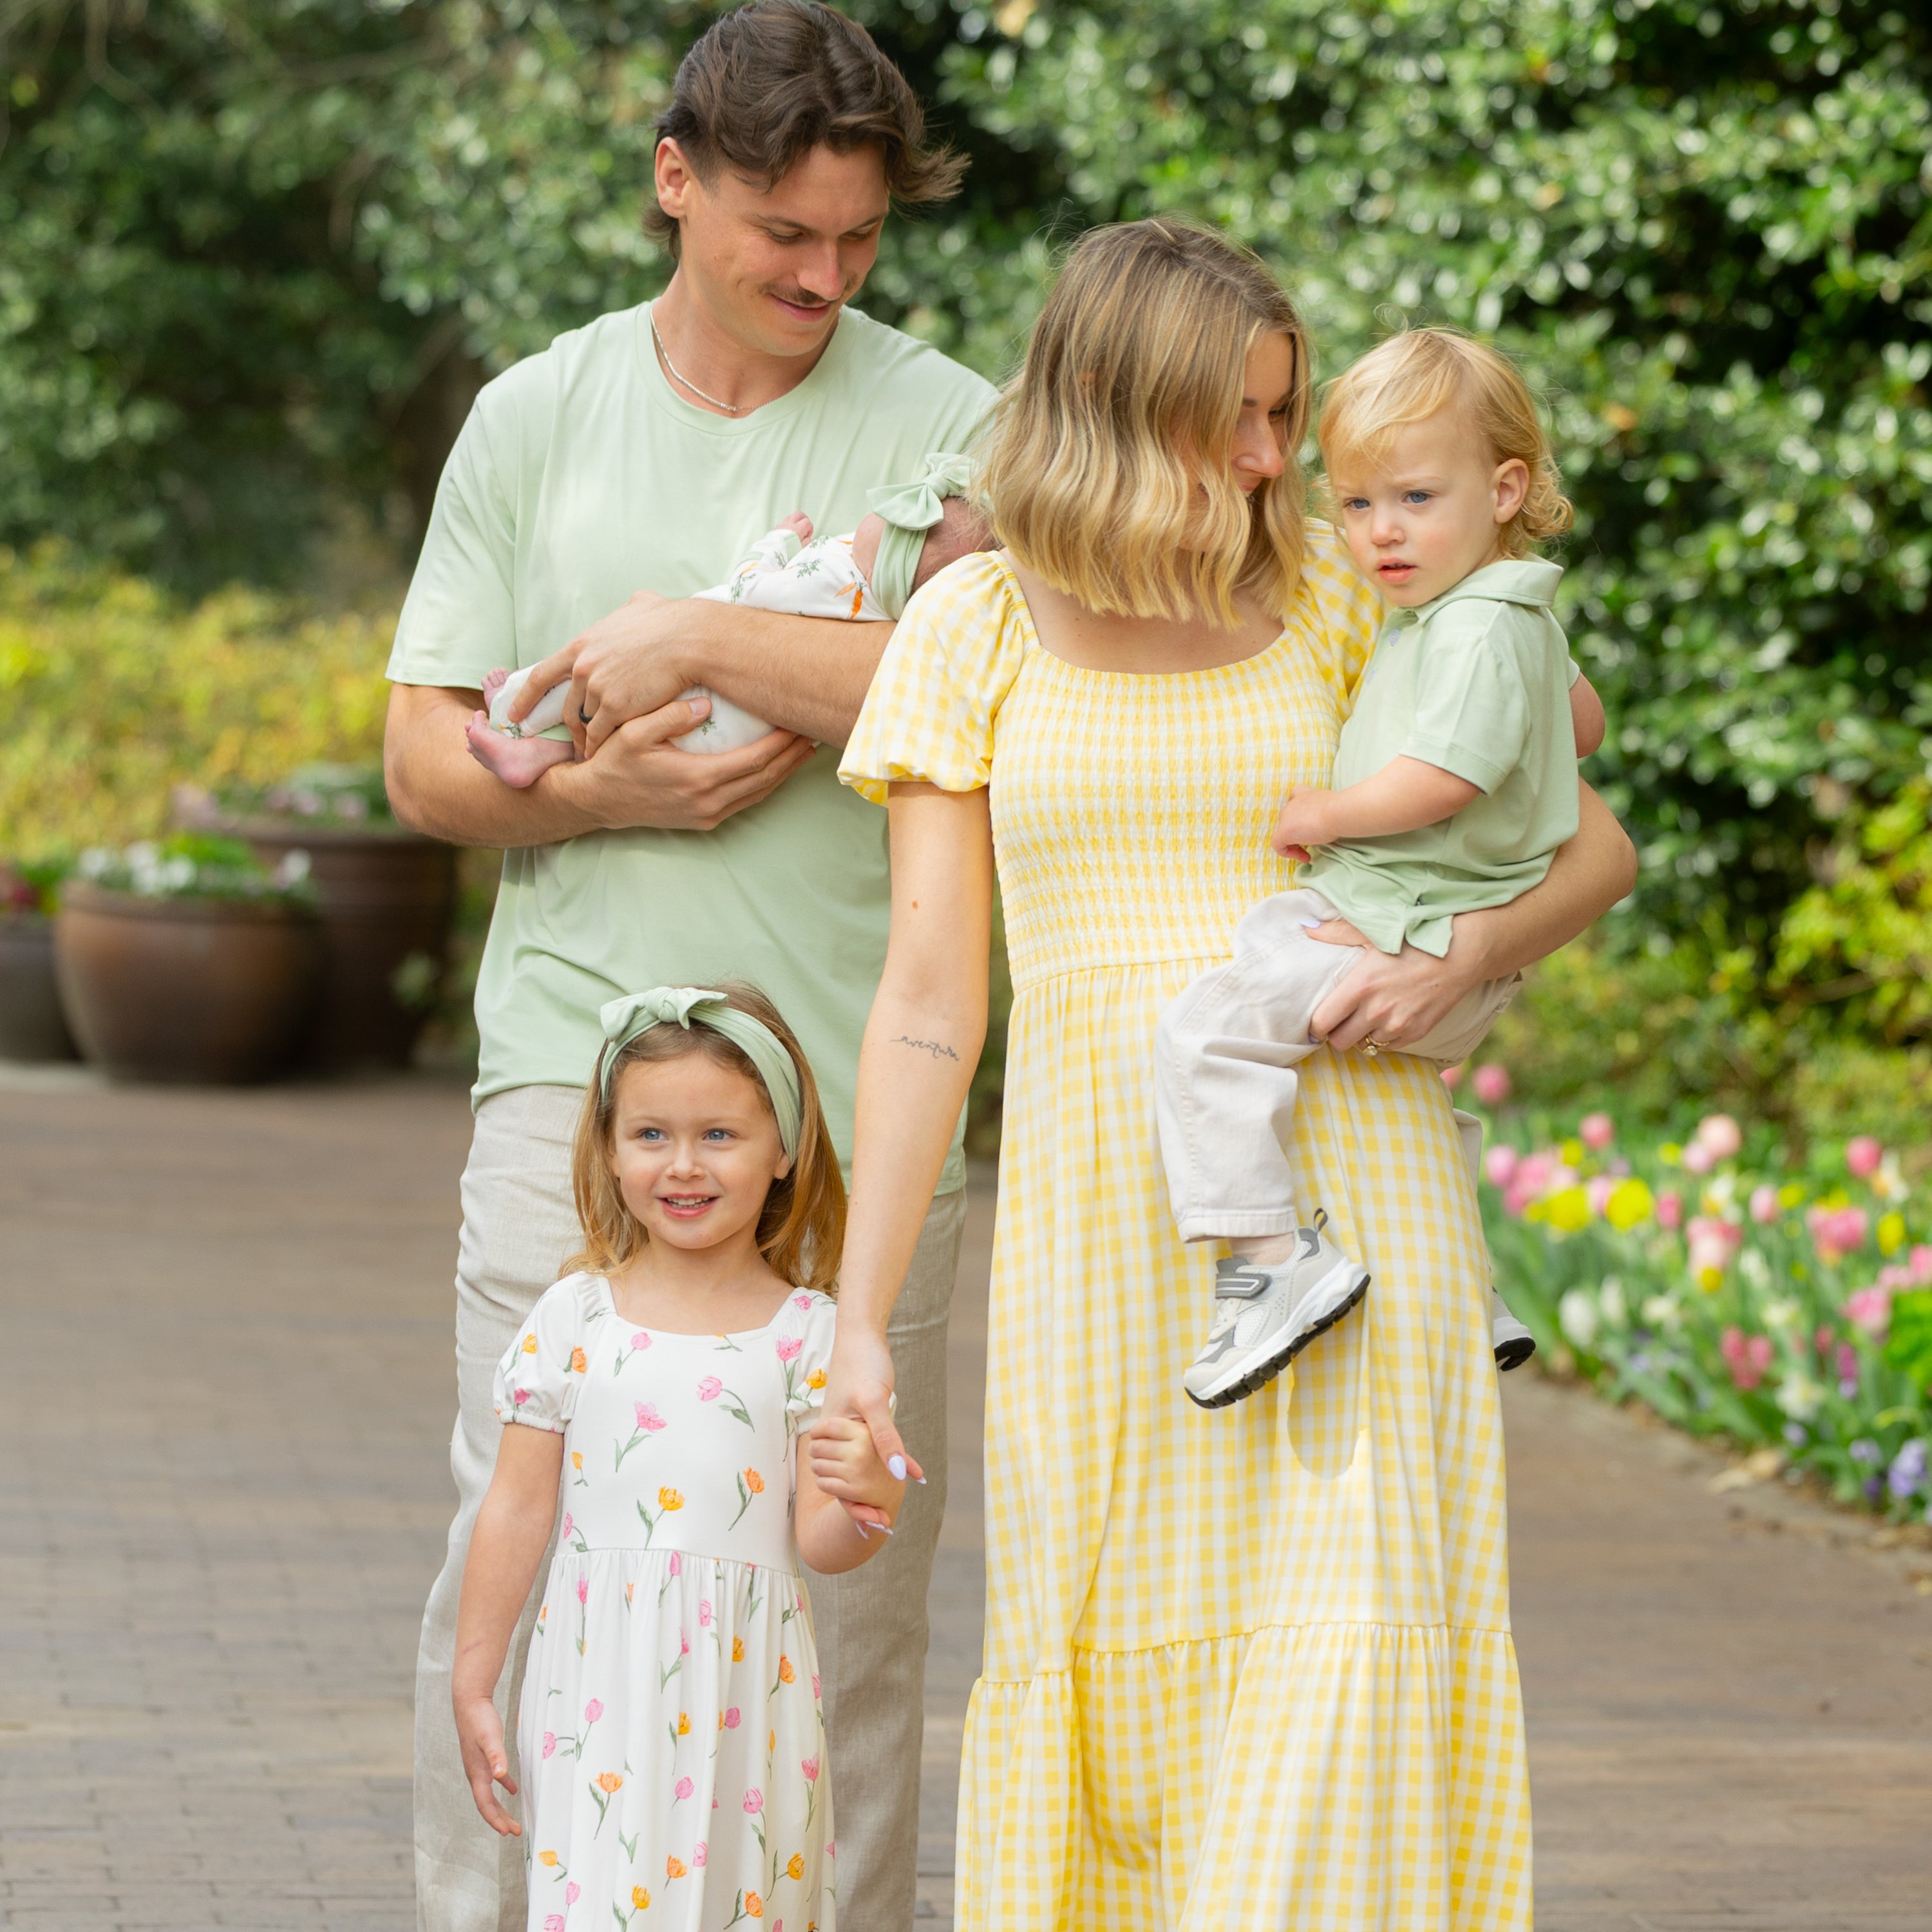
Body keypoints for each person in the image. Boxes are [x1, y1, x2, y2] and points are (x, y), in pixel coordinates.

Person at [825, 219, 1636, 1929]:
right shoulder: (968, 626)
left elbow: (1586, 828)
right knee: (1112, 1669)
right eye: (1244, 418)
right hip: (1103, 1243)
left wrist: (1466, 959)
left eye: (1288, 415)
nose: (1282, 457)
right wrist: (855, 1320)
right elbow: (922, 1004)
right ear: (1116, 409)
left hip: (1357, 1197)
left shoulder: (1349, 592)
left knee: (1348, 1650)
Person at [381, 6, 996, 1924]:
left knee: (847, 1612)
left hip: (854, 1129)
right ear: (675, 183)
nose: (821, 280)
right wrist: (596, 793)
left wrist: (703, 636)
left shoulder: (954, 426)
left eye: (857, 244)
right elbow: (418, 757)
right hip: (575, 1109)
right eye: (780, 239)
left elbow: (1006, 696)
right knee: (520, 1573)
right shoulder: (536, 412)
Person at [1152, 327, 1603, 1408]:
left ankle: (1267, 1263)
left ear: (1504, 489)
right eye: (1356, 507)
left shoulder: (1471, 628)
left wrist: (1334, 810)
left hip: (1411, 925)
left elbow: (1446, 775)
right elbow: (1583, 724)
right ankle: (1472, 1281)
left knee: (1206, 1026)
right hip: (1448, 939)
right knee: (1422, 1110)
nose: (1380, 534)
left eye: (1413, 499)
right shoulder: (1500, 613)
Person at [452, 985, 898, 1931]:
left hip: (748, 1696)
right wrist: (474, 1675)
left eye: (721, 1137)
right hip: (594, 1688)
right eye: (651, 1135)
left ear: (784, 1151)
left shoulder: (810, 1339)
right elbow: (517, 1508)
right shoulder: (575, 1319)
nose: (683, 1166)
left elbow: (821, 1541)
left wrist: (867, 1502)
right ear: (609, 1153)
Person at [469, 462, 985, 784]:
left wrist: (778, 543)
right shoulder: (888, 616)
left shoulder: (838, 579)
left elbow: (748, 589)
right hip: (738, 731)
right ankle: (542, 755)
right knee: (624, 728)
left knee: (603, 665)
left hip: (709, 701)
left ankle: (514, 716)